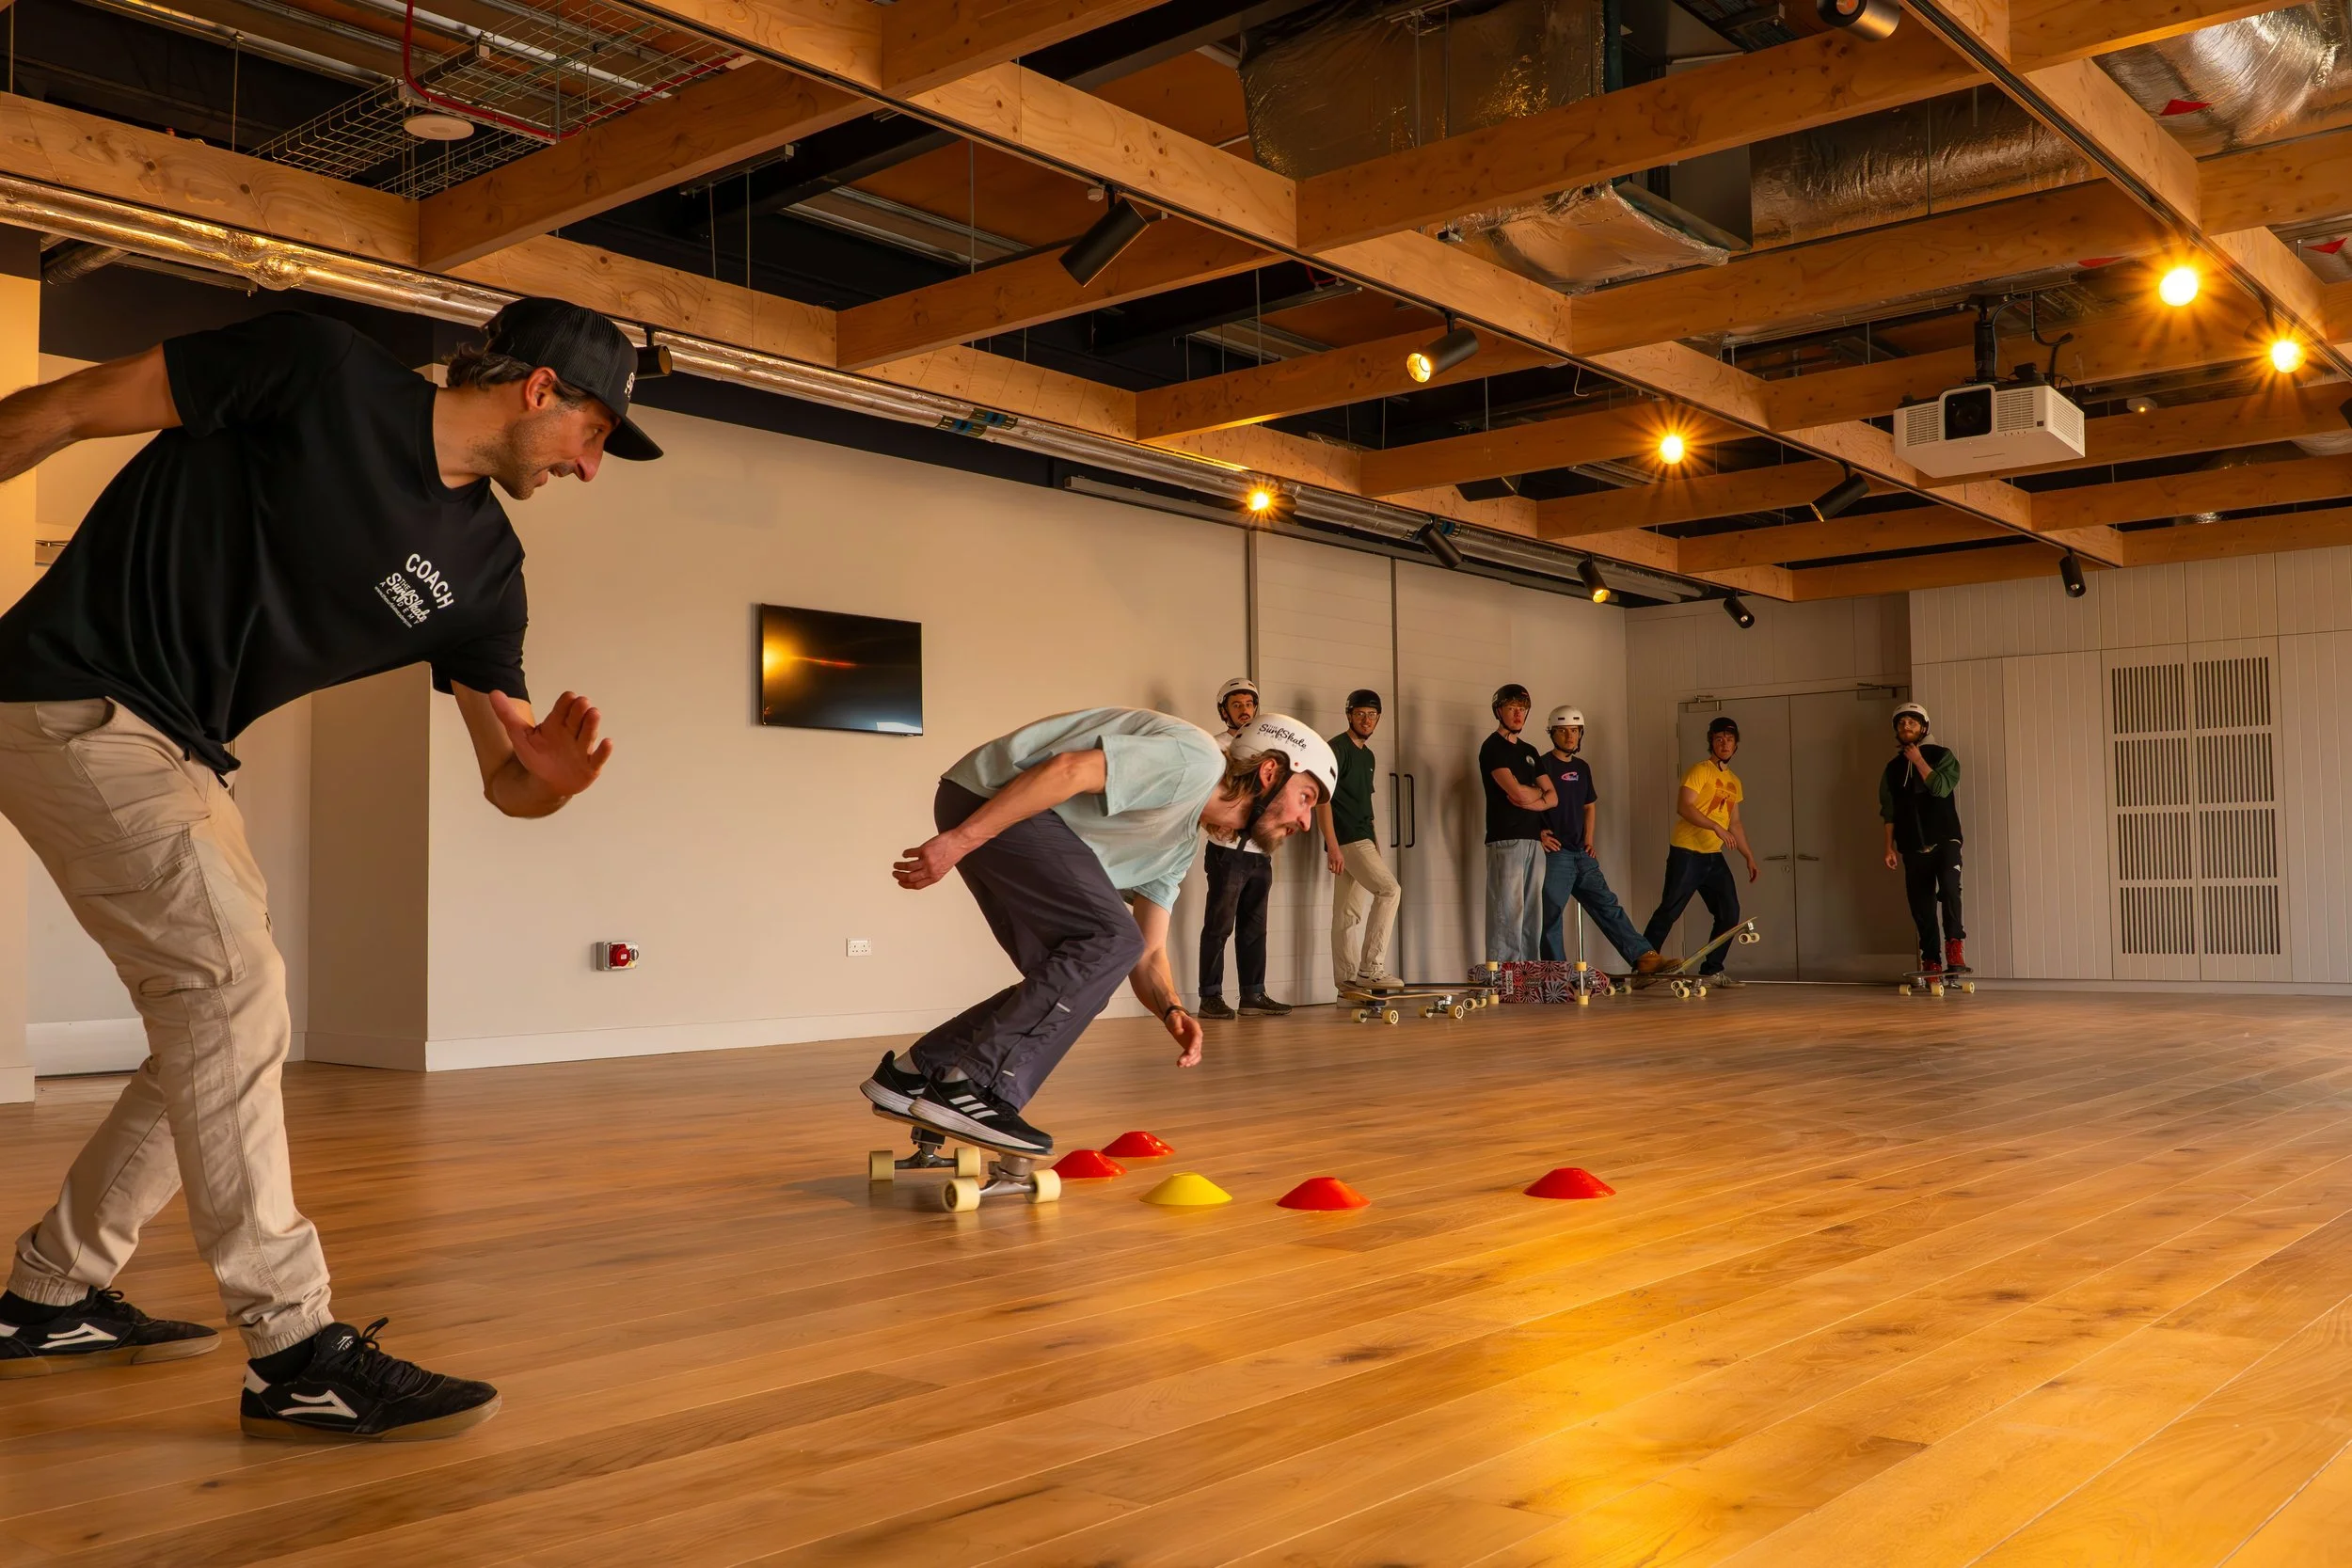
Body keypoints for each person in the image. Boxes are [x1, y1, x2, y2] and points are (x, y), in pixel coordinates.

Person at [0, 298, 657, 1439]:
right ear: (541, 389)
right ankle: (295, 1349)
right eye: (597, 434)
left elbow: (503, 778)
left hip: (186, 749)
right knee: (227, 994)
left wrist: (545, 778)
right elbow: (64, 407)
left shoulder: (486, 571)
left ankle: (48, 1295)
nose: (593, 469)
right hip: (73, 693)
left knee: (218, 1021)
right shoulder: (316, 369)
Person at [865, 710, 1334, 1156]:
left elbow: (1147, 953)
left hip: (990, 810)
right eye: (1306, 798)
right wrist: (961, 839)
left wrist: (1171, 1009)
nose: (1306, 821)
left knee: (1074, 968)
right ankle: (975, 1087)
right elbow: (1068, 771)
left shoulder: (1177, 845)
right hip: (993, 799)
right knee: (1108, 941)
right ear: (1271, 773)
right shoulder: (1197, 762)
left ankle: (912, 1072)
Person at [1535, 706, 1661, 975]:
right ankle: (1556, 973)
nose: (1570, 736)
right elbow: (1525, 802)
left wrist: (1589, 840)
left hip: (1582, 854)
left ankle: (1644, 958)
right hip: (1556, 855)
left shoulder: (1582, 768)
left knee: (1607, 905)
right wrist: (1539, 833)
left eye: (1575, 731)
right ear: (1552, 734)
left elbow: (1589, 806)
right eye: (1563, 731)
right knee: (1552, 913)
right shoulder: (1542, 765)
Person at [1642, 715, 1760, 987]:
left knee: (1729, 913)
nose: (1724, 744)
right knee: (1670, 909)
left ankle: (1712, 970)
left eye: (1729, 739)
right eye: (1719, 739)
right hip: (1687, 852)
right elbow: (1685, 807)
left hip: (1712, 857)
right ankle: (1642, 964)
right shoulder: (1700, 770)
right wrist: (1716, 829)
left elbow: (1736, 823)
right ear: (1712, 743)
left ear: (1736, 745)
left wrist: (1749, 857)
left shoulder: (1734, 782)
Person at [1196, 677, 1289, 1020]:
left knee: (1255, 927)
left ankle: (1253, 994)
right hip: (1226, 851)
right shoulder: (1216, 746)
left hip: (1260, 853)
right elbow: (1204, 794)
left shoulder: (1268, 750)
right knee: (1219, 926)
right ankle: (1210, 997)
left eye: (1249, 704)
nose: (1245, 710)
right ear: (1224, 711)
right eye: (1237, 705)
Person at [1319, 689, 1400, 991]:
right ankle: (1371, 968)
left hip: (1363, 838)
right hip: (1348, 840)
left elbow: (1365, 803)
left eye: (1372, 715)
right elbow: (1322, 800)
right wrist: (1332, 846)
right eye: (1361, 714)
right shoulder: (1335, 749)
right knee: (1390, 890)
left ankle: (1347, 984)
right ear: (1349, 715)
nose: (1366, 720)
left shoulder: (1368, 756)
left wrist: (1376, 841)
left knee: (1346, 914)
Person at [1880, 701, 1966, 977]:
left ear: (1924, 727)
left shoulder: (1943, 755)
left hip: (1945, 840)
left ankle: (1955, 947)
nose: (1906, 726)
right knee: (1921, 905)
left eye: (1912, 722)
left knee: (1950, 891)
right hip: (1912, 845)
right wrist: (1888, 847)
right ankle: (1930, 958)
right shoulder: (1892, 768)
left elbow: (1941, 788)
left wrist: (1918, 760)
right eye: (1902, 723)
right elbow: (1888, 809)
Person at [1481, 683, 1555, 962]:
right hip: (1506, 838)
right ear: (1499, 711)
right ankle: (1503, 975)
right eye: (1512, 709)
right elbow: (1516, 792)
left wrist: (1531, 796)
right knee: (1507, 909)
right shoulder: (1492, 748)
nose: (1518, 715)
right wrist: (1535, 794)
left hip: (1534, 838)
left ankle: (1528, 973)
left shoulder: (1530, 750)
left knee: (1532, 912)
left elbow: (1553, 796)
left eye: (1523, 709)